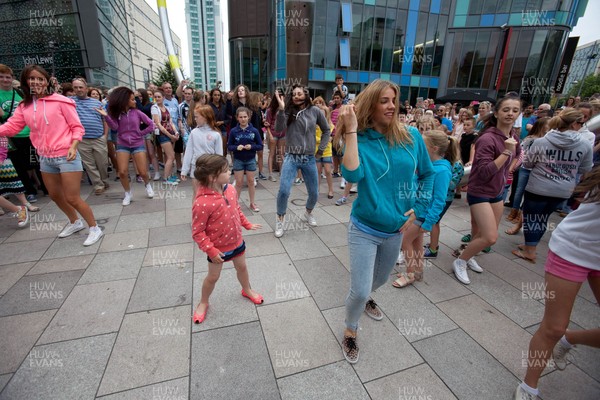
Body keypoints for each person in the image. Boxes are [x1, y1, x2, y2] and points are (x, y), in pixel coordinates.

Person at [335, 79, 434, 363]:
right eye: (384, 101)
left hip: (395, 230)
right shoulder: (360, 139)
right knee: (361, 288)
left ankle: (365, 298)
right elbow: (352, 176)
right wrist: (352, 130)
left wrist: (419, 207)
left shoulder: (411, 136)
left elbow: (428, 174)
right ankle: (351, 330)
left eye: (394, 100)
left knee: (377, 281)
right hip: (364, 228)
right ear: (370, 105)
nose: (392, 106)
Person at [514, 167, 600, 400]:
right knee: (554, 326)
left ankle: (571, 339)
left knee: (561, 332)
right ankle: (529, 386)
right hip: (575, 248)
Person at [0, 64, 103, 246]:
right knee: (55, 195)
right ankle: (74, 222)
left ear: (46, 81)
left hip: (66, 155)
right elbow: (12, 127)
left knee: (72, 197)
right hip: (45, 157)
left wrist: (73, 145)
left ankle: (95, 228)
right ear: (26, 82)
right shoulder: (25, 105)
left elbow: (77, 127)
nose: (36, 82)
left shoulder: (61, 101)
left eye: (40, 78)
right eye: (32, 78)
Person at [452, 96, 521, 284]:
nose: (510, 113)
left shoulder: (513, 136)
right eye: (506, 109)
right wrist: (506, 152)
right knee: (490, 237)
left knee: (479, 233)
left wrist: (512, 166)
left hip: (498, 192)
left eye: (515, 110)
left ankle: (469, 255)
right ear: (497, 112)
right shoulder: (487, 138)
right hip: (480, 191)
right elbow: (483, 172)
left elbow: (519, 153)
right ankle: (460, 261)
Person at [513, 109, 593, 263]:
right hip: (563, 190)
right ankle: (530, 245)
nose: (582, 126)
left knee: (531, 218)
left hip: (539, 187)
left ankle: (530, 250)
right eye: (581, 123)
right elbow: (585, 168)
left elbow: (528, 163)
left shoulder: (542, 141)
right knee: (543, 218)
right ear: (575, 123)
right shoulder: (584, 144)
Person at [191, 154, 263, 324]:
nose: (230, 171)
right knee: (213, 277)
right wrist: (211, 250)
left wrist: (246, 224)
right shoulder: (202, 203)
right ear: (212, 177)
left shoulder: (230, 189)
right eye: (225, 170)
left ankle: (247, 290)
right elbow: (198, 232)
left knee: (242, 267)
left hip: (237, 241)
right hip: (218, 249)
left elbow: (236, 209)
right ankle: (203, 302)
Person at [394, 130, 458, 287]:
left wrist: (429, 222)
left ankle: (409, 274)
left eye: (422, 145)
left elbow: (439, 200)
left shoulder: (442, 170)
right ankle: (418, 271)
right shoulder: (430, 165)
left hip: (423, 215)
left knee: (404, 241)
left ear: (434, 148)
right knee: (416, 243)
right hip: (419, 212)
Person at [273, 85, 331, 237]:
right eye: (294, 95)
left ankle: (308, 212)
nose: (297, 96)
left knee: (314, 193)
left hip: (309, 158)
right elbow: (278, 129)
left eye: (299, 94)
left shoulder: (315, 111)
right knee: (284, 190)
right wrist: (281, 108)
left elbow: (326, 130)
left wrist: (320, 150)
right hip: (291, 156)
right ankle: (280, 219)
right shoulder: (288, 111)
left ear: (306, 95)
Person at [97, 87, 155, 206]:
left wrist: (140, 133)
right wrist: (106, 116)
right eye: (133, 100)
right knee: (122, 172)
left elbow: (151, 124)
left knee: (143, 172)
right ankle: (128, 193)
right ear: (124, 101)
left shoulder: (138, 113)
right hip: (122, 144)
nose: (135, 102)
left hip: (137, 143)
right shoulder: (117, 114)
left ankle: (147, 185)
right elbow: (115, 128)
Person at [0, 64, 43, 203]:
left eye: (8, 77)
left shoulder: (19, 93)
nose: (5, 80)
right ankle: (30, 191)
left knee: (34, 162)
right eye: (1, 77)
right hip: (11, 136)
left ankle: (45, 187)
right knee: (19, 166)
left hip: (29, 134)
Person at [505, 117, 550, 235]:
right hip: (525, 168)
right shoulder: (530, 139)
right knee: (519, 191)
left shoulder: (548, 140)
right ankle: (513, 213)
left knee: (528, 195)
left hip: (537, 170)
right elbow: (521, 153)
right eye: (547, 125)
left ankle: (520, 216)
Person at [71, 78, 110, 195]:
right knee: (89, 164)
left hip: (98, 138)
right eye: (76, 87)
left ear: (86, 88)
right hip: (82, 140)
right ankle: (98, 185)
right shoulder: (70, 102)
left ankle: (104, 180)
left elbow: (105, 120)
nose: (78, 90)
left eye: (81, 87)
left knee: (103, 163)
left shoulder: (97, 103)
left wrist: (105, 135)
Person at [181, 105, 223, 197]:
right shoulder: (194, 133)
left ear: (205, 117)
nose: (195, 119)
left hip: (211, 169)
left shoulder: (216, 134)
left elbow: (219, 156)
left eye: (196, 117)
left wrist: (219, 172)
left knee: (212, 194)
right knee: (197, 194)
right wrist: (184, 170)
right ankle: (196, 211)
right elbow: (189, 152)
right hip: (196, 168)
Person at [228, 107, 263, 212]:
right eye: (240, 117)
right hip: (238, 159)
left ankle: (252, 203)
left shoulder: (254, 131)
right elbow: (229, 146)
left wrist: (251, 147)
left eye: (245, 117)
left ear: (249, 117)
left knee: (251, 181)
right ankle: (235, 204)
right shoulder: (234, 131)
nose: (243, 119)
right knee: (238, 183)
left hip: (251, 159)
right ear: (237, 118)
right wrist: (236, 147)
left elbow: (260, 145)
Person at [152, 89, 179, 185]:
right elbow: (158, 124)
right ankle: (166, 178)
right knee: (171, 156)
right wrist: (170, 135)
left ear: (163, 98)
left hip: (170, 133)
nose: (157, 98)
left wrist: (175, 132)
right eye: (155, 97)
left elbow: (170, 122)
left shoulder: (165, 107)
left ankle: (170, 176)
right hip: (163, 135)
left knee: (169, 156)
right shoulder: (154, 108)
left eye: (159, 96)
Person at [313, 97, 335, 199]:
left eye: (323, 113)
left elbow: (329, 136)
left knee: (328, 171)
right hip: (316, 151)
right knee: (317, 171)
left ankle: (331, 189)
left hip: (326, 151)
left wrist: (325, 139)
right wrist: (323, 139)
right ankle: (316, 189)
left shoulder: (330, 124)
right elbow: (315, 137)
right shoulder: (313, 124)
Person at [264, 94, 286, 182]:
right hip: (273, 133)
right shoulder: (270, 110)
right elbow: (267, 124)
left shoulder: (284, 109)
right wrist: (270, 135)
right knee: (272, 154)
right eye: (280, 98)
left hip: (283, 134)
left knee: (281, 153)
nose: (282, 99)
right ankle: (270, 174)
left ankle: (282, 171)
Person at [208, 88, 230, 156]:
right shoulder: (208, 106)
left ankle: (223, 165)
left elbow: (228, 119)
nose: (217, 97)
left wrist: (222, 122)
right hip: (212, 130)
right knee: (213, 150)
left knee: (223, 150)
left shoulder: (224, 106)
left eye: (218, 95)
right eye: (215, 95)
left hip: (223, 130)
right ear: (212, 96)